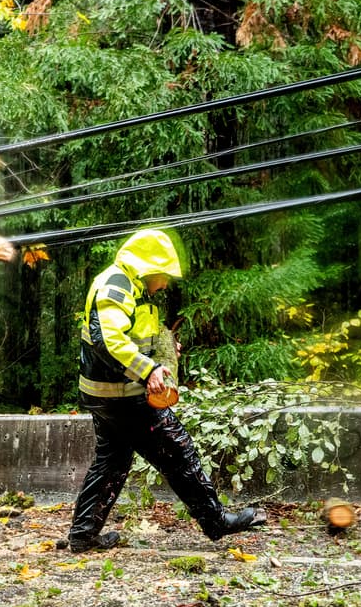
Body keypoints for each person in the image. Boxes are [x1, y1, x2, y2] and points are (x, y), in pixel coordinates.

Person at [66, 228, 266, 553]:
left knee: (112, 462)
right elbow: (108, 339)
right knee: (179, 451)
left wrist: (164, 354)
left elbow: (132, 338)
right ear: (149, 267)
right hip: (124, 397)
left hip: (107, 395)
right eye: (165, 276)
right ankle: (216, 522)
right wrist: (150, 370)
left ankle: (83, 534)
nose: (166, 283)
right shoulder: (116, 284)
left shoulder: (128, 287)